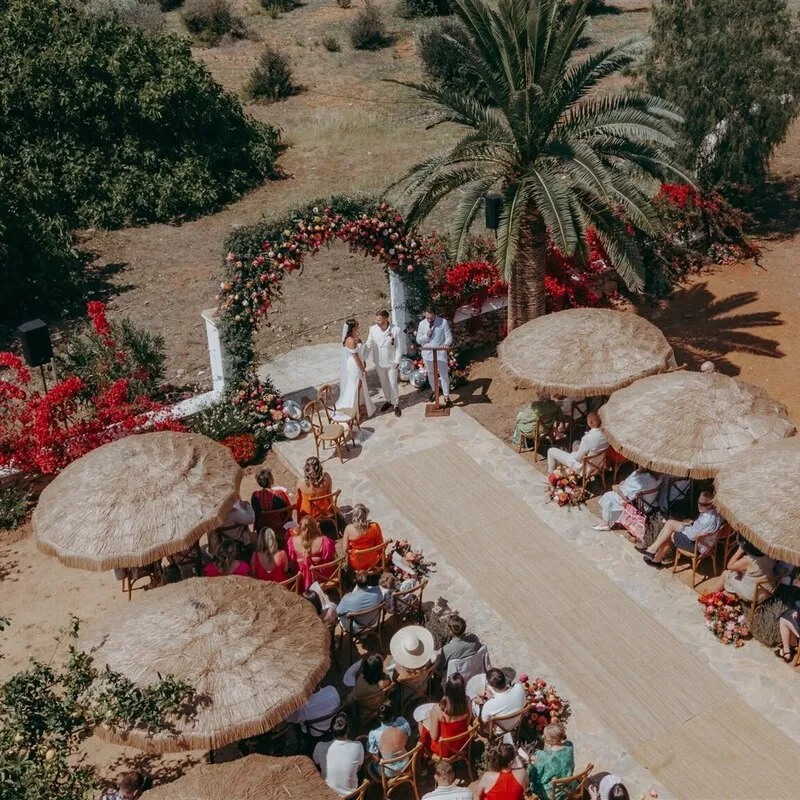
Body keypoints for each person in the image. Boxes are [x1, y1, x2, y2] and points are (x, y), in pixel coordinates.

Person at [639, 491, 722, 566]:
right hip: (705, 544)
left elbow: (692, 536)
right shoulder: (716, 512)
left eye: (704, 505)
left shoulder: (707, 519)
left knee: (670, 526)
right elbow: (701, 528)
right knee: (670, 526)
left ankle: (653, 552)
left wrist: (684, 525)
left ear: (711, 504)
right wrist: (692, 522)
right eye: (699, 502)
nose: (700, 506)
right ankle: (655, 557)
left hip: (697, 546)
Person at [418, 673, 471, 758]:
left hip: (444, 750)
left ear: (447, 689)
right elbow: (467, 723)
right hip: (462, 745)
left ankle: (423, 754)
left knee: (420, 722)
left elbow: (434, 736)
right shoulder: (467, 701)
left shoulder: (438, 709)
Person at [313, 711, 364, 797]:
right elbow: (359, 768)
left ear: (331, 730)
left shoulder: (319, 746)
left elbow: (316, 763)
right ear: (347, 729)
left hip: (328, 795)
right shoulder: (358, 746)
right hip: (351, 796)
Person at [593, 468, 663, 531]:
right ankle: (610, 520)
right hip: (650, 504)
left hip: (639, 505)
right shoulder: (660, 478)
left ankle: (605, 523)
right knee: (612, 495)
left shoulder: (644, 478)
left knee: (608, 496)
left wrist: (617, 489)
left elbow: (626, 498)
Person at [366, 309, 402, 417]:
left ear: (386, 319)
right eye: (376, 319)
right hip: (378, 362)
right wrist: (363, 357)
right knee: (384, 382)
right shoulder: (372, 329)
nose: (377, 321)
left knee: (392, 383)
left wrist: (397, 361)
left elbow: (399, 347)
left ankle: (395, 404)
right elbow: (369, 344)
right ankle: (388, 400)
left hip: (392, 362)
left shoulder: (396, 330)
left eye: (379, 319)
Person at [337, 317, 375, 419]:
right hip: (354, 366)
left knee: (359, 386)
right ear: (353, 328)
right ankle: (355, 410)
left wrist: (364, 362)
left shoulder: (354, 337)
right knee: (356, 387)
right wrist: (363, 369)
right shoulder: (350, 341)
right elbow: (356, 357)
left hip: (357, 363)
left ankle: (359, 406)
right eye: (357, 324)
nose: (359, 325)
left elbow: (359, 353)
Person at [416, 306, 453, 408]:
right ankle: (435, 391)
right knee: (431, 373)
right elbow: (418, 340)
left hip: (440, 353)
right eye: (427, 318)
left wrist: (446, 344)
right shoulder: (422, 324)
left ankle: (446, 396)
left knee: (443, 374)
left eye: (430, 318)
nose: (428, 320)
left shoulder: (443, 322)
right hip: (428, 354)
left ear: (435, 315)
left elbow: (449, 337)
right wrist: (426, 336)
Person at [526, 723, 575, 800]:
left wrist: (530, 764)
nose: (542, 737)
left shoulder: (542, 755)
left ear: (554, 740)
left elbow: (535, 778)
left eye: (545, 737)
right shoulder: (569, 745)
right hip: (570, 785)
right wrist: (539, 760)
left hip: (553, 794)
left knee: (532, 780)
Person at [287, 516, 336, 591]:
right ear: (315, 527)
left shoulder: (291, 541)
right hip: (323, 580)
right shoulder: (324, 541)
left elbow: (291, 561)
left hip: (300, 581)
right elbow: (331, 559)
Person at [389, 625, 436, 703]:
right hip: (422, 690)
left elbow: (392, 679)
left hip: (406, 696)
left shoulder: (398, 667)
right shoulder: (427, 662)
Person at [366, 702, 412, 778]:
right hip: (406, 762)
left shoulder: (374, 734)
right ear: (392, 715)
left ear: (379, 719)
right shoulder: (402, 722)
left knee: (370, 765)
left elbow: (376, 758)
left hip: (388, 771)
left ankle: (379, 785)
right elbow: (408, 735)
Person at [473, 668, 526, 734]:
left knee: (474, 703)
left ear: (493, 687)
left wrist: (481, 704)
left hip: (500, 731)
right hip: (516, 722)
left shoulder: (489, 705)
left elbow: (482, 723)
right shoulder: (519, 687)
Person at [343, 504, 384, 571]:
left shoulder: (348, 529)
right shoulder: (374, 526)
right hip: (373, 560)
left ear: (354, 515)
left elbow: (345, 549)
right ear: (365, 515)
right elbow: (380, 544)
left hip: (357, 564)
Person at [250, 468, 292, 532]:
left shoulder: (255, 495)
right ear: (270, 480)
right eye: (272, 476)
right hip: (280, 526)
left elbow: (256, 514)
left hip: (263, 529)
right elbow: (288, 510)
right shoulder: (279, 494)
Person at [296, 456, 334, 522]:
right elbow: (330, 495)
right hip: (324, 510)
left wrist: (298, 517)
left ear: (306, 469)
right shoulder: (327, 477)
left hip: (308, 514)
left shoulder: (300, 482)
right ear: (319, 468)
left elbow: (298, 500)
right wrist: (332, 508)